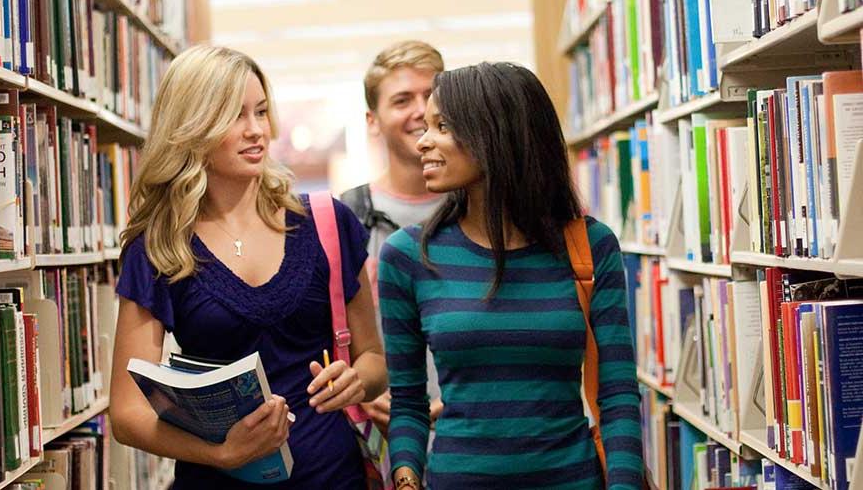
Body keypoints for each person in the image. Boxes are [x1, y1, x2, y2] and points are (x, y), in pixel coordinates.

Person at [108, 45, 387, 489]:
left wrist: (356, 382)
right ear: (192, 127)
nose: (257, 131)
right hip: (215, 481)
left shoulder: (328, 224)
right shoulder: (160, 246)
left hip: (332, 477)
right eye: (235, 117)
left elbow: (374, 359)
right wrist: (221, 453)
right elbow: (126, 414)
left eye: (261, 112)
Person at [379, 62, 644, 490]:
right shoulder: (407, 256)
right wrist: (406, 477)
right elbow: (408, 402)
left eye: (442, 126)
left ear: (496, 134)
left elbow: (617, 395)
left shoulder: (591, 247)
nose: (422, 142)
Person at [340, 41, 445, 435]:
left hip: (473, 431)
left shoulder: (484, 209)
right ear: (373, 120)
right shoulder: (346, 217)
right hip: (381, 432)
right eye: (402, 100)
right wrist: (363, 390)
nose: (421, 110)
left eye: (431, 95)